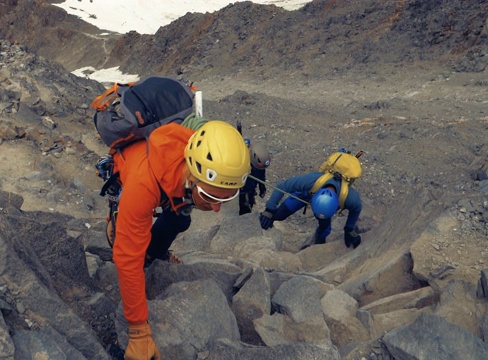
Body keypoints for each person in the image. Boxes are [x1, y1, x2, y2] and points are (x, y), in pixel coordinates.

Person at [110, 119, 250, 360]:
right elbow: (126, 259)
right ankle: (116, 215)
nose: (216, 209)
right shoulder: (143, 185)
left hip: (172, 182)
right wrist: (139, 333)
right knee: (128, 247)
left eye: (226, 199)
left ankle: (153, 253)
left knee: (181, 220)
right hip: (127, 170)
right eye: (209, 196)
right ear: (192, 173)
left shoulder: (202, 153)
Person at [258, 170, 362, 251]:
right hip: (305, 194)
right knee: (280, 214)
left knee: (324, 228)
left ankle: (318, 243)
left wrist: (349, 229)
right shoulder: (310, 181)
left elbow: (356, 209)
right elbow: (282, 186)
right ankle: (262, 225)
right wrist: (269, 210)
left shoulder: (350, 198)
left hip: (321, 203)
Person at [236, 121, 270, 215]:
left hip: (249, 189)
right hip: (242, 189)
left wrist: (262, 188)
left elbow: (261, 177)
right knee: (244, 205)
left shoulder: (259, 166)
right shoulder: (243, 160)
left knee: (247, 203)